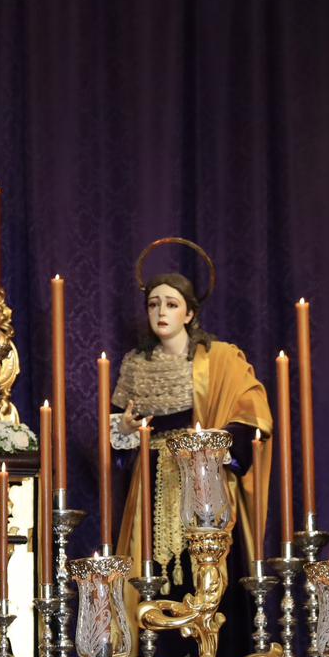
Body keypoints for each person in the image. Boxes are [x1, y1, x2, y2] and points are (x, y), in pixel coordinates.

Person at [111, 257, 271, 610]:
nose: (161, 312)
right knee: (151, 566)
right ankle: (154, 637)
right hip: (151, 481)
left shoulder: (218, 358)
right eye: (153, 304)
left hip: (202, 474)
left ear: (189, 314)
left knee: (205, 563)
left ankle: (211, 634)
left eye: (171, 304)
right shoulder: (134, 365)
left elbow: (251, 413)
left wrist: (216, 442)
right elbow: (117, 437)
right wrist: (123, 429)